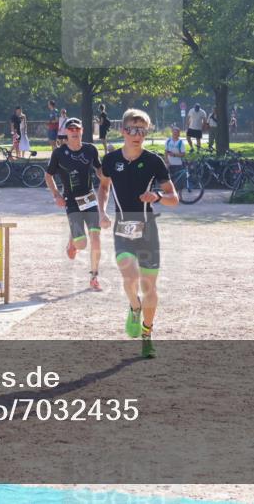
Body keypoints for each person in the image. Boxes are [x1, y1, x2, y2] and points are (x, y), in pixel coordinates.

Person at [98, 109, 179, 359]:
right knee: (130, 277)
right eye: (132, 130)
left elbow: (174, 198)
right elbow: (103, 188)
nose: (137, 135)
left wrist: (157, 196)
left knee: (149, 286)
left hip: (147, 228)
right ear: (123, 131)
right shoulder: (110, 160)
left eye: (142, 130)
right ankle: (134, 307)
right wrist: (101, 212)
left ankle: (147, 334)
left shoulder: (154, 161)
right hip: (123, 226)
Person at [45, 118, 104, 291]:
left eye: (77, 128)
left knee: (96, 239)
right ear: (66, 132)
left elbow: (99, 169)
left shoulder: (90, 149)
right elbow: (48, 176)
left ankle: (94, 276)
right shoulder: (59, 153)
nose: (74, 132)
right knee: (81, 244)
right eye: (70, 129)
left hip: (89, 198)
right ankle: (73, 241)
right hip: (71, 201)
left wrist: (106, 178)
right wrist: (56, 195)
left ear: (82, 130)